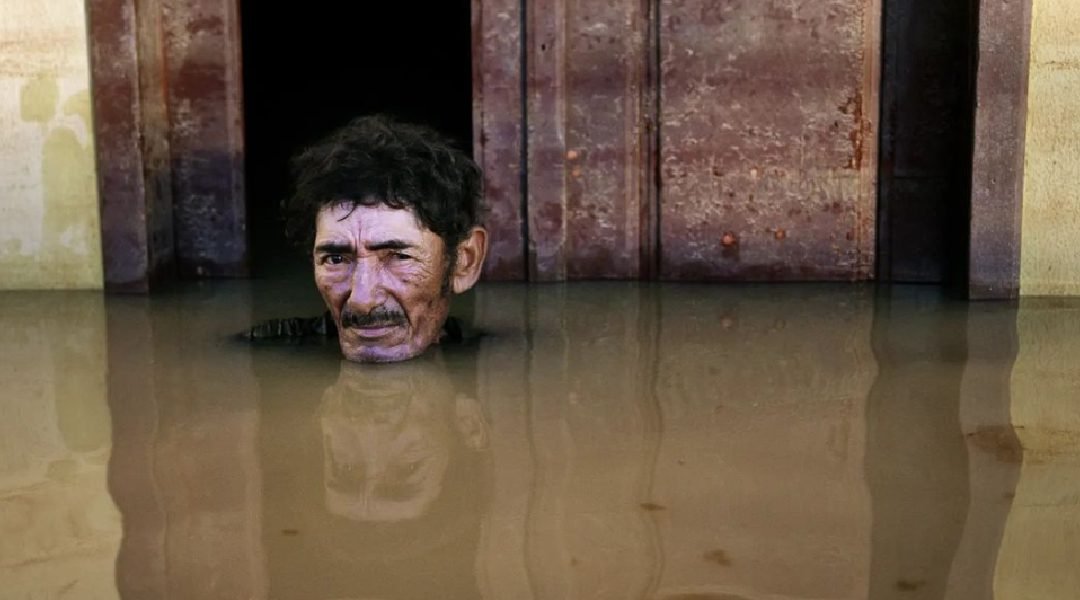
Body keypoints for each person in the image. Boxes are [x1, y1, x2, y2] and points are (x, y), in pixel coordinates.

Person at [248, 115, 488, 363]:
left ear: (464, 262)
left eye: (398, 257)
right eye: (336, 258)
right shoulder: (257, 354)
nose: (362, 301)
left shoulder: (498, 356)